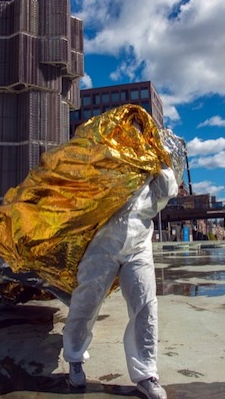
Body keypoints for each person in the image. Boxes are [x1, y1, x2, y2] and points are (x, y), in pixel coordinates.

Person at [63, 164, 177, 399]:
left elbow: (165, 191)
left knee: (145, 305)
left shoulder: (148, 150)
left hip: (138, 241)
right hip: (102, 242)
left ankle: (146, 373)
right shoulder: (101, 148)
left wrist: (163, 165)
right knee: (87, 301)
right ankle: (74, 358)